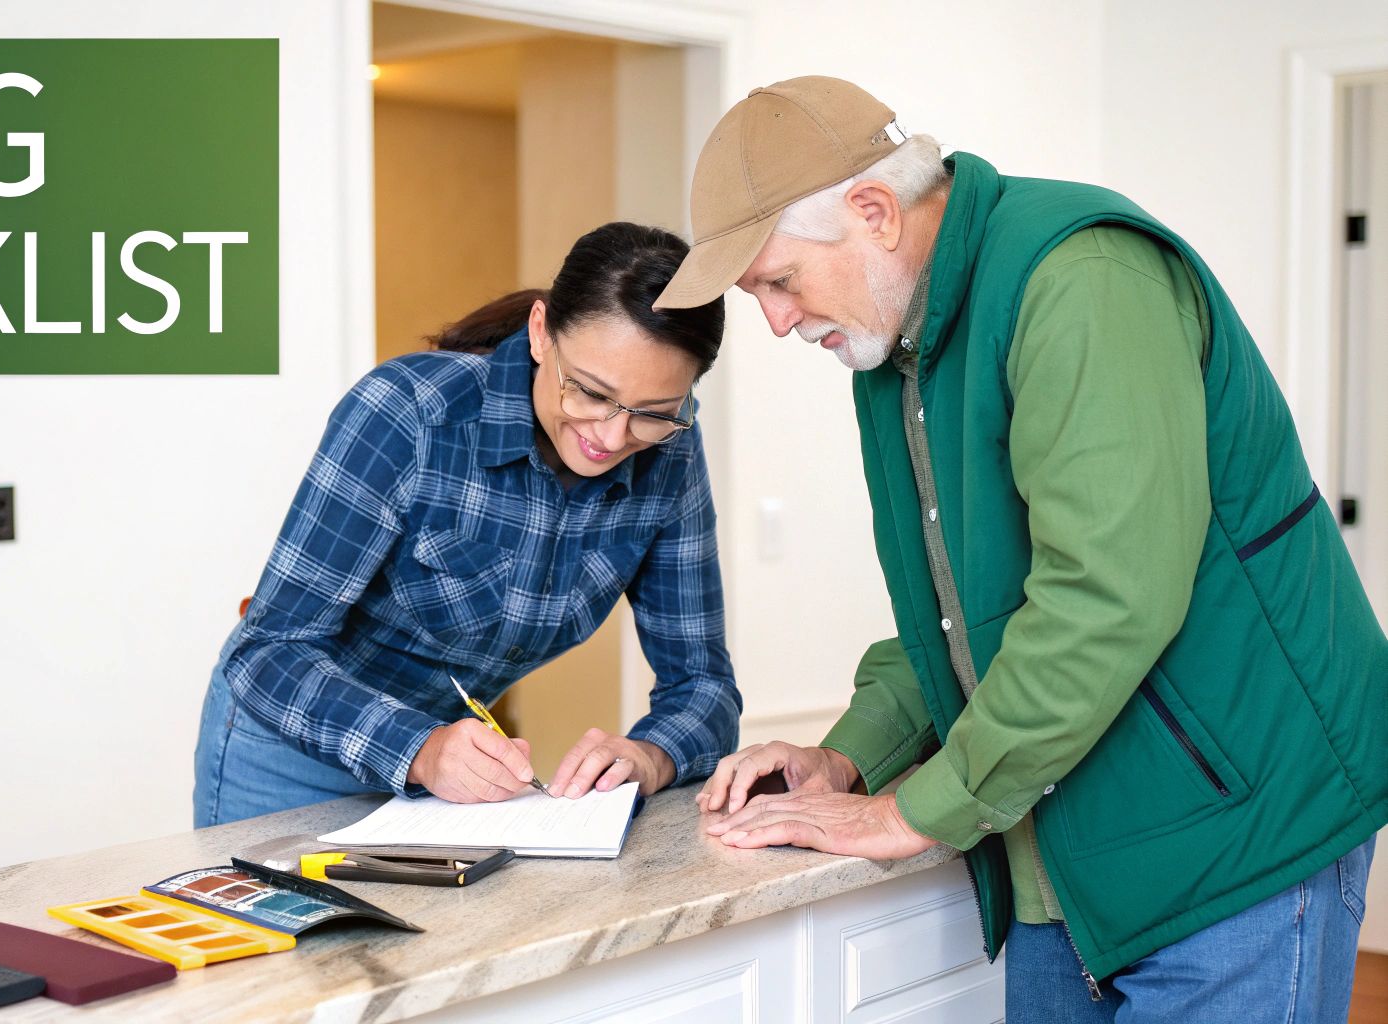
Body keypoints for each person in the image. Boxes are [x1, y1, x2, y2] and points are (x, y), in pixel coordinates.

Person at [659, 77, 1386, 1021]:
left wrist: (910, 811)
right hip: (1076, 858)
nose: (777, 322)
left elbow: (1104, 601)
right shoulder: (896, 347)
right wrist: (850, 759)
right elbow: (965, 610)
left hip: (1237, 832)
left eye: (779, 281)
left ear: (874, 212)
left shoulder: (1081, 279)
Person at [193, 221, 742, 828]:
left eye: (653, 413)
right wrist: (421, 750)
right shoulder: (409, 414)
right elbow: (269, 651)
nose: (612, 437)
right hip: (289, 750)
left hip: (450, 774)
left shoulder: (669, 454)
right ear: (541, 333)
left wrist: (650, 756)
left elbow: (703, 683)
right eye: (589, 392)